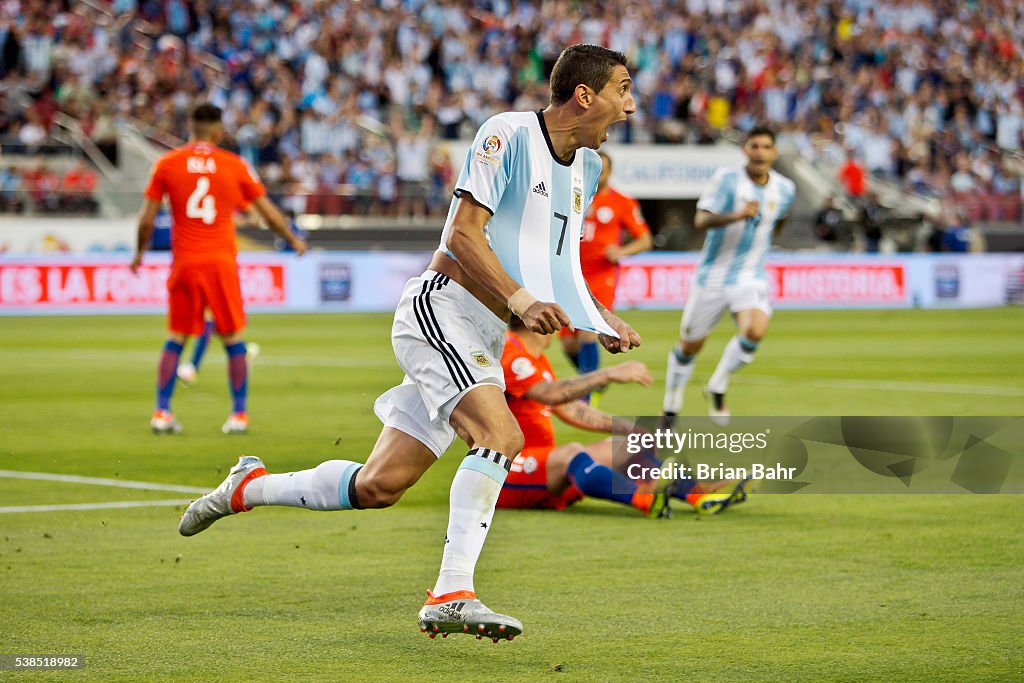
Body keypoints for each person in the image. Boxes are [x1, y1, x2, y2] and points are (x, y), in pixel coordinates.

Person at [177, 44, 641, 644]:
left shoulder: (589, 171)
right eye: (622, 89)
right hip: (440, 307)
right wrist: (522, 300)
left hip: (482, 332)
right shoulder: (507, 134)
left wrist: (597, 314)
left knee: (379, 486)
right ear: (586, 94)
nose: (630, 105)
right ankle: (451, 592)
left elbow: (557, 265)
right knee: (501, 434)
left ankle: (248, 487)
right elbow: (462, 239)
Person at [131, 103, 306, 435]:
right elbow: (267, 213)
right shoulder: (234, 164)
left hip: (185, 261)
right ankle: (238, 415)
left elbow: (146, 219)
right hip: (221, 262)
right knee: (232, 339)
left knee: (176, 338)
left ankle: (161, 412)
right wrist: (292, 239)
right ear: (218, 131)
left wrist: (139, 253)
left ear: (191, 126)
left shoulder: (168, 164)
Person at [499, 317, 753, 516]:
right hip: (506, 472)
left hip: (540, 467)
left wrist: (631, 429)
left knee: (622, 448)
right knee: (572, 453)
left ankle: (699, 495)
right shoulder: (510, 353)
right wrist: (608, 374)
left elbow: (568, 408)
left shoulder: (535, 358)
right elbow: (550, 393)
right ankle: (644, 499)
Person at [662, 126, 795, 426]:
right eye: (754, 146)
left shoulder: (785, 189)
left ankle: (717, 385)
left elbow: (780, 219)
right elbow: (701, 219)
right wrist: (737, 215)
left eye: (765, 147)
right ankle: (671, 405)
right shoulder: (727, 180)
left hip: (751, 276)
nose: (759, 152)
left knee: (755, 330)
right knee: (689, 346)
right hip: (712, 277)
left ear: (774, 152)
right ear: (745, 150)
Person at [561, 151, 652, 401]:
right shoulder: (571, 195)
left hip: (601, 276)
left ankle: (585, 399)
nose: (598, 174)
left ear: (610, 173)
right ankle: (595, 379)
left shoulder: (622, 202)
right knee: (568, 344)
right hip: (570, 274)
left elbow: (645, 239)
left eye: (603, 170)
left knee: (587, 332)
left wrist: (622, 251)